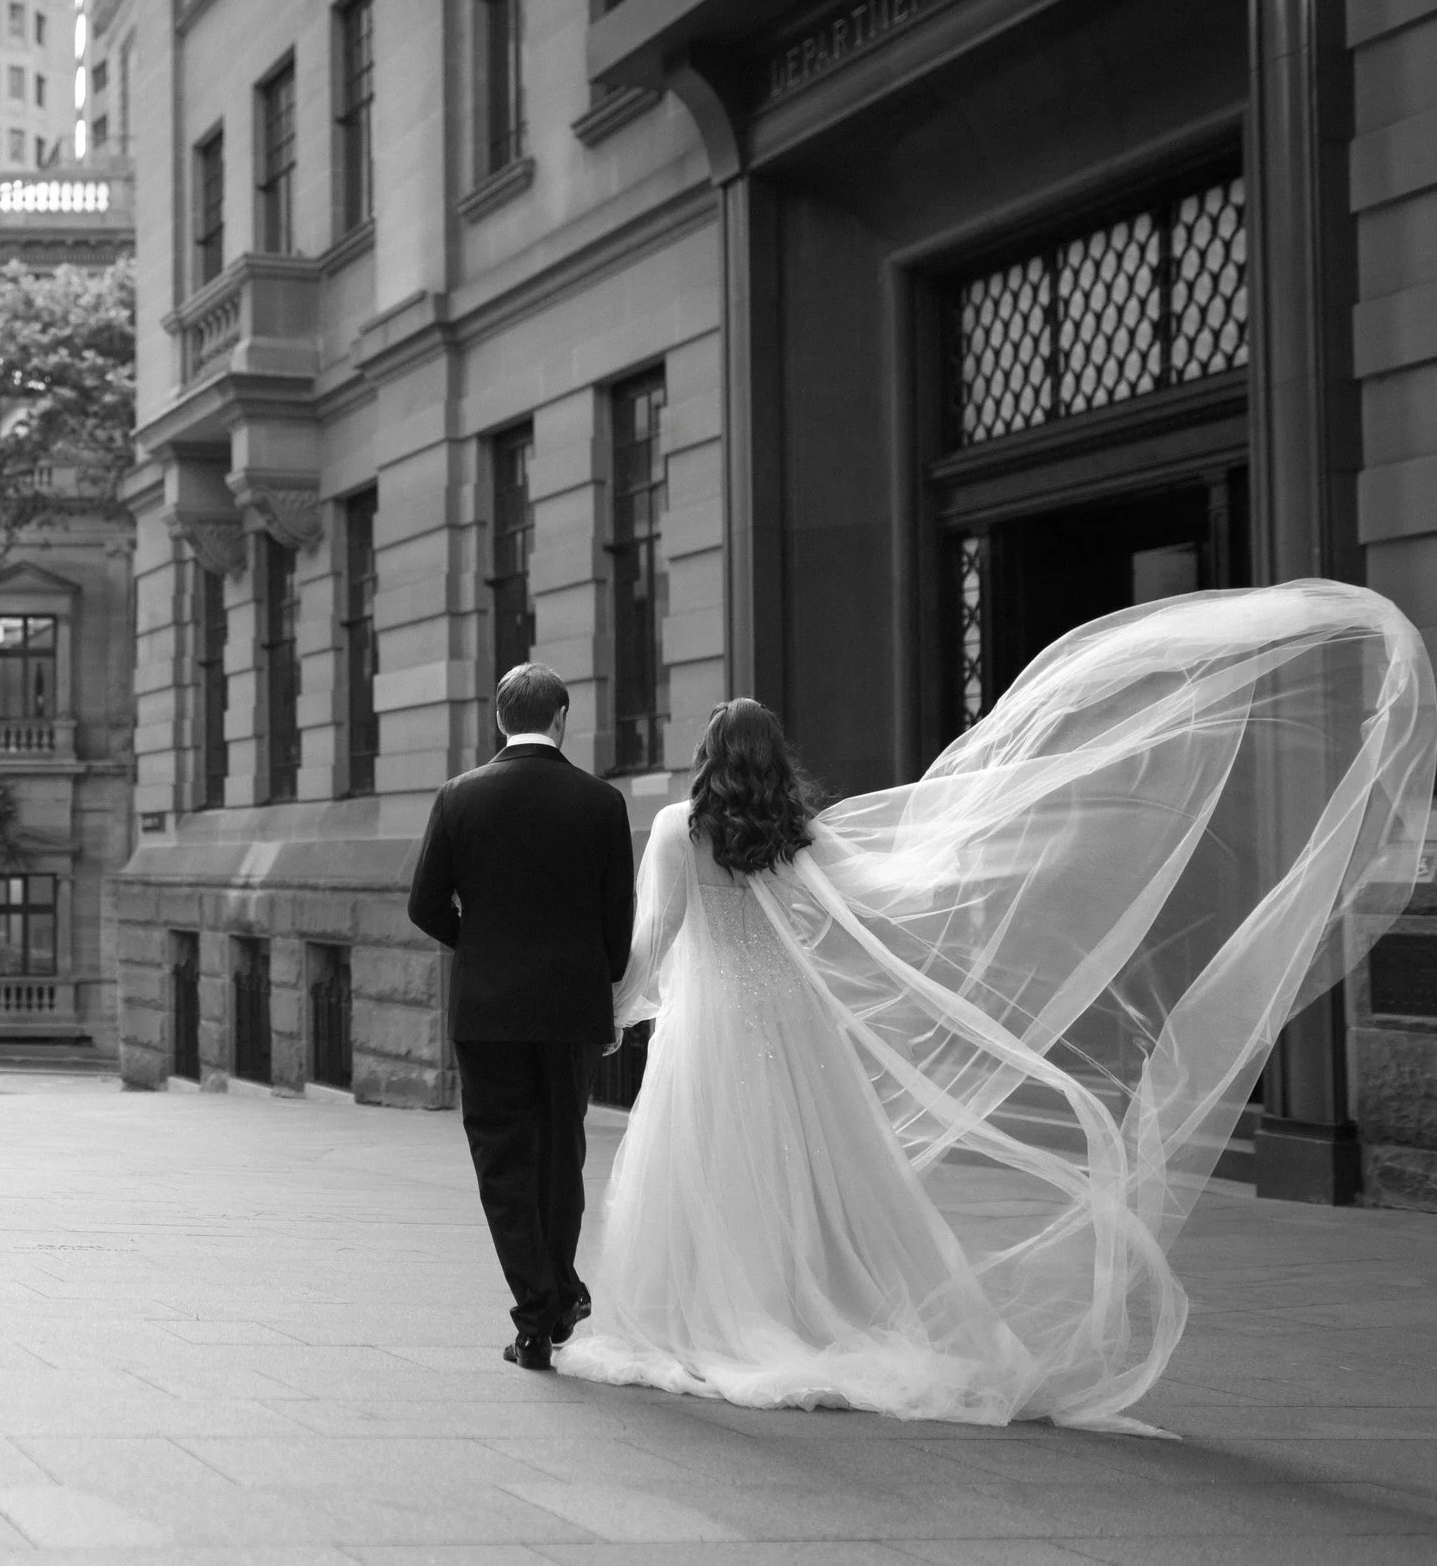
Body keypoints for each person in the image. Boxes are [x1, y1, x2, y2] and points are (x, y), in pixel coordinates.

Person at [555, 581, 1436, 1432]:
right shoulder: (800, 832)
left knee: (713, 1174)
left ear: (709, 758)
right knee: (808, 1181)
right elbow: (882, 904)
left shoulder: (677, 828)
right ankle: (807, 1312)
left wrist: (614, 1005)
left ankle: (722, 1314)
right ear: (771, 759)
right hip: (790, 1028)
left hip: (710, 1031)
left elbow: (656, 939)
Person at [407, 662, 636, 1371]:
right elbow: (617, 924)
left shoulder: (458, 797)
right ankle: (557, 1290)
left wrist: (478, 946)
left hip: (489, 1009)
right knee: (562, 1151)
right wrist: (597, 981)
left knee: (504, 1159)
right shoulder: (601, 802)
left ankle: (540, 1312)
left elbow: (424, 904)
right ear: (563, 718)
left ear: (499, 719)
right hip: (570, 1007)